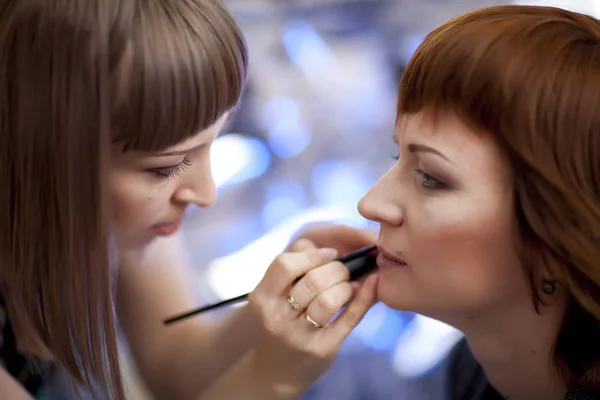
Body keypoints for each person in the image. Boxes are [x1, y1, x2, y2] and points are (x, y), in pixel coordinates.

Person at [0, 1, 378, 399]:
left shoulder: (125, 218)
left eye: (210, 144)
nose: (205, 194)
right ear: (39, 158)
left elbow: (177, 369)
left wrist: (272, 305)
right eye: (166, 167)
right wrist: (272, 379)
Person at [341, 4, 599, 400]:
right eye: (399, 158)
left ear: (561, 235)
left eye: (431, 178)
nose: (370, 203)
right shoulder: (469, 370)